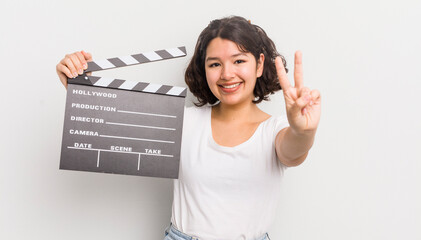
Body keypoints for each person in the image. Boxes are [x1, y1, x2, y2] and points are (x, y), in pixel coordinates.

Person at [56, 16, 321, 240]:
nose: (227, 74)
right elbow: (114, 125)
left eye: (239, 61)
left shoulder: (275, 130)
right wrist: (80, 85)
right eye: (215, 64)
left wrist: (303, 130)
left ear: (260, 64)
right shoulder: (184, 122)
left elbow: (293, 149)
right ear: (204, 70)